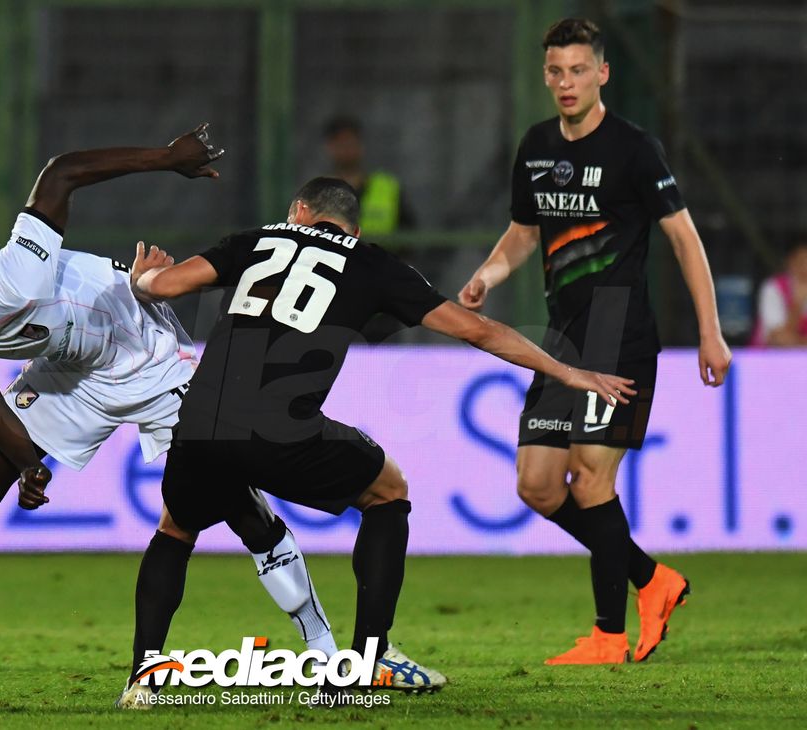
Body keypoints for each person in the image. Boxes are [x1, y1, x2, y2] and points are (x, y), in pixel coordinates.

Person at [0, 127, 429, 685]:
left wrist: (166, 160)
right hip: (73, 372)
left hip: (144, 349)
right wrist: (27, 462)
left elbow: (61, 173)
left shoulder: (6, 283)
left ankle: (323, 649)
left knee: (236, 502)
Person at [112, 176, 635, 706]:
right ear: (354, 229)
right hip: (278, 427)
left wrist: (142, 279)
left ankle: (141, 679)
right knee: (389, 490)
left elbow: (166, 286)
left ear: (299, 211)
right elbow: (478, 331)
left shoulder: (256, 240)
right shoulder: (372, 262)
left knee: (175, 530)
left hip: (200, 418)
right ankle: (368, 659)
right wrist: (566, 372)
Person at [457, 18, 732, 664]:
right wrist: (489, 273)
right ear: (546, 75)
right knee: (538, 485)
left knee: (588, 476)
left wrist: (710, 330)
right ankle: (651, 578)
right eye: (556, 71)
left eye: (579, 70)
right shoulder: (536, 146)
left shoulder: (635, 150)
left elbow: (684, 239)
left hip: (621, 328)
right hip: (564, 336)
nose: (566, 83)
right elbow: (524, 231)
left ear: (602, 73)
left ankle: (608, 635)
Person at [323, 116, 416, 237]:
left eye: (350, 142)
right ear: (329, 148)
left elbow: (408, 234)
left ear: (361, 145)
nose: (346, 149)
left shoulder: (387, 187)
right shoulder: (317, 192)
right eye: (340, 143)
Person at [751, 238, 807, 347]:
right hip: (769, 361)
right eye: (801, 262)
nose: (805, 269)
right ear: (790, 262)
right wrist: (797, 304)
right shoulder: (773, 288)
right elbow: (779, 340)